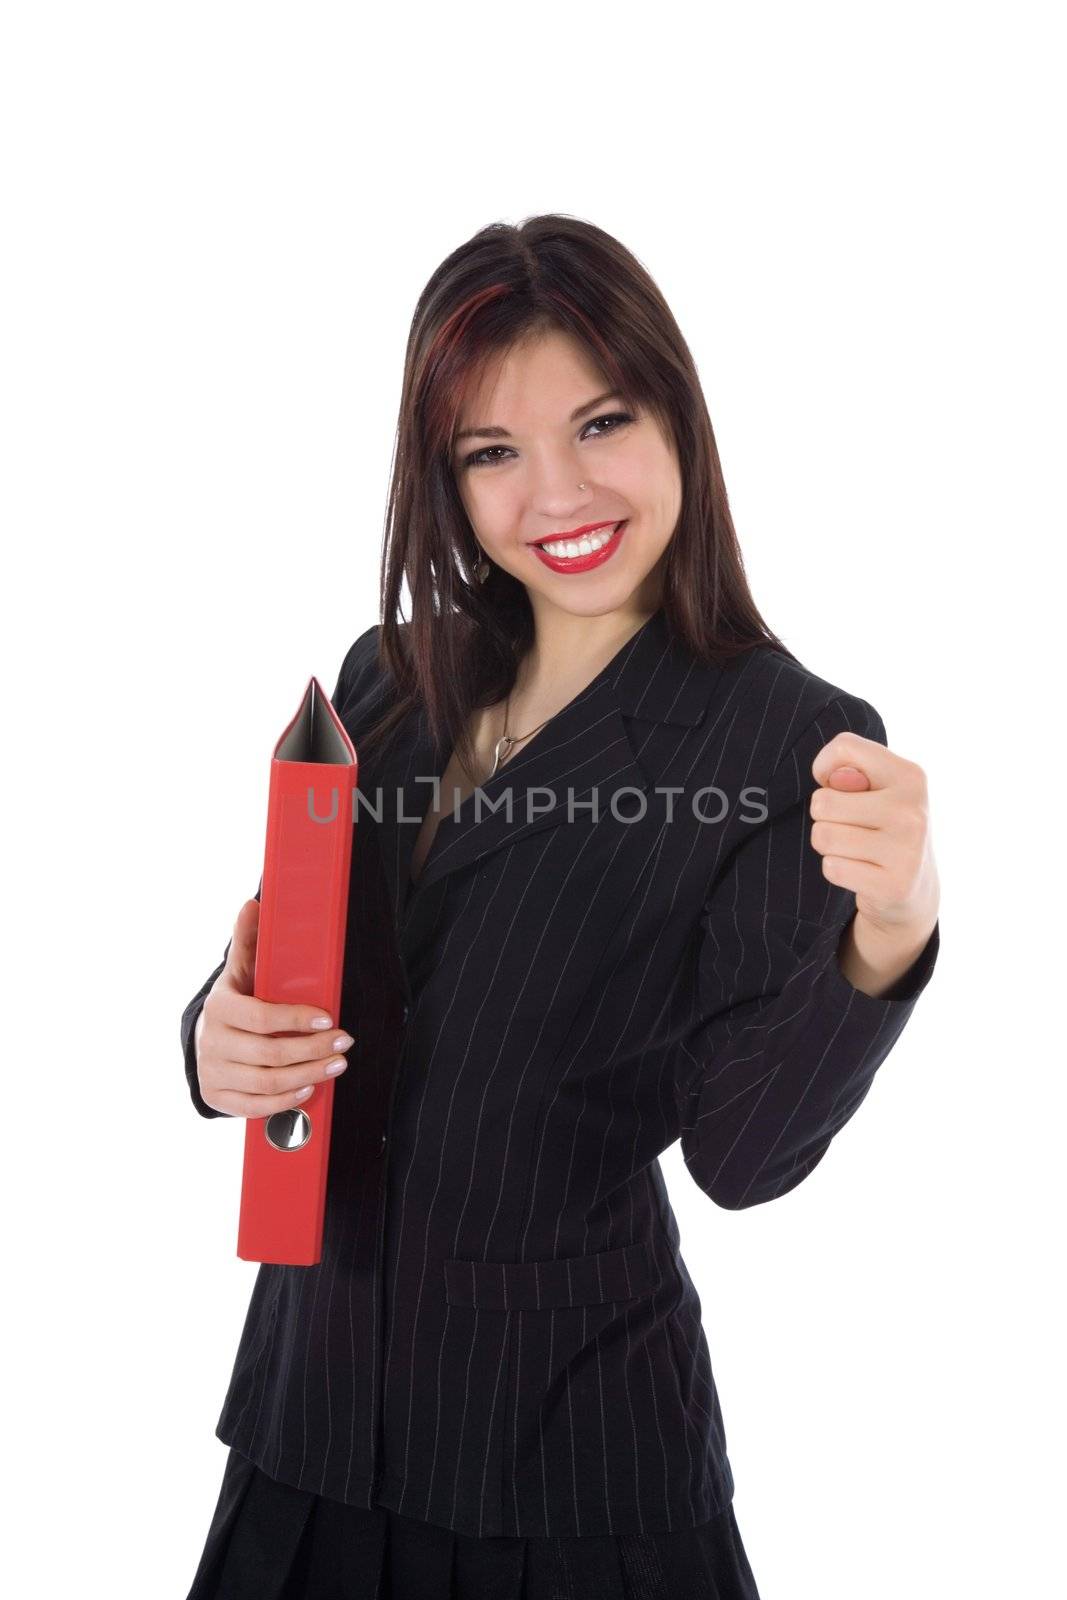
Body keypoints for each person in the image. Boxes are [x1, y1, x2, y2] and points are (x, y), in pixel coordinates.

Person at [181, 214, 941, 1598]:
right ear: (444, 479)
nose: (556, 493)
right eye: (492, 452)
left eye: (602, 422)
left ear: (678, 421)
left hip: (571, 1469)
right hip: (311, 1416)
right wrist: (214, 1038)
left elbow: (742, 1157)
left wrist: (885, 936)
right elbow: (302, 968)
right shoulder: (388, 678)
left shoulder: (783, 742)